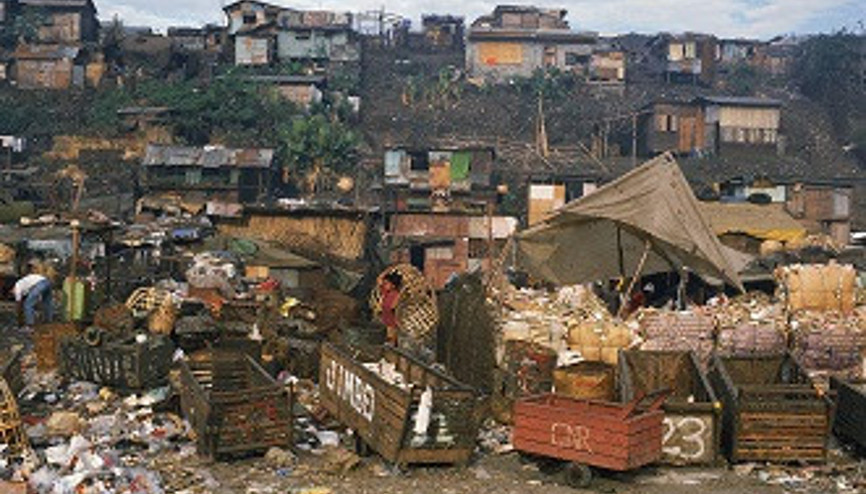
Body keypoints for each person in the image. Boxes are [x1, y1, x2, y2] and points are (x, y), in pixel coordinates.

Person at [13, 262, 53, 329]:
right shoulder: (23, 284)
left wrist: (20, 320)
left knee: (27, 305)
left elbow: (19, 304)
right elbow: (34, 297)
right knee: (47, 302)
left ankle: (29, 326)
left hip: (40, 283)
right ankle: (48, 321)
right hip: (47, 281)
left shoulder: (17, 287)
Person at [378, 271, 402, 346]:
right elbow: (379, 280)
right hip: (386, 315)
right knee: (388, 331)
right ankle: (390, 343)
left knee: (392, 332)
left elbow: (394, 306)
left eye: (387, 283)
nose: (384, 285)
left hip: (392, 317)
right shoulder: (386, 292)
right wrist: (388, 270)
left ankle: (392, 344)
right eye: (384, 283)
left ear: (393, 286)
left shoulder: (397, 294)